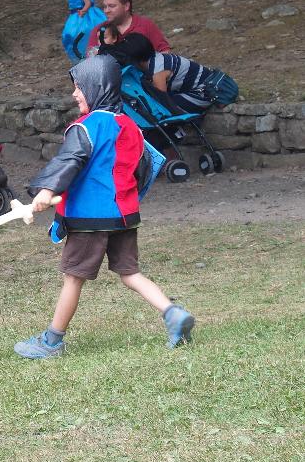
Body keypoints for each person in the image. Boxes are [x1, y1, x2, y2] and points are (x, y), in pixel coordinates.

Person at [14, 55, 195, 359]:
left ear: (95, 87)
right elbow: (143, 169)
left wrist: (47, 190)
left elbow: (70, 160)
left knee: (73, 277)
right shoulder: (130, 126)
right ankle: (173, 313)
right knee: (130, 273)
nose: (74, 93)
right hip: (124, 216)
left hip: (91, 219)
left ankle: (51, 342)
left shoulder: (87, 127)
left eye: (79, 87)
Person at [86, 0, 172, 56]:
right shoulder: (99, 31)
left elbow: (165, 51)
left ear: (126, 6)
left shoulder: (145, 25)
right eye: (105, 7)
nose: (106, 11)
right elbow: (91, 63)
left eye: (111, 6)